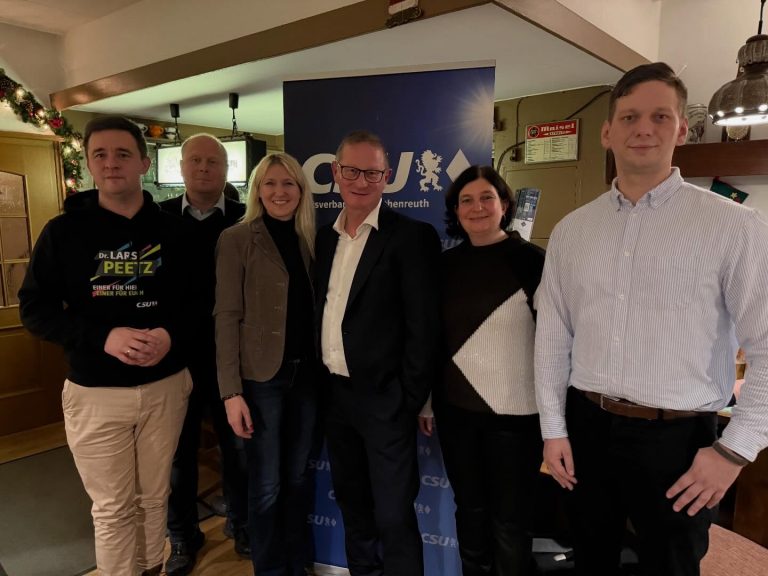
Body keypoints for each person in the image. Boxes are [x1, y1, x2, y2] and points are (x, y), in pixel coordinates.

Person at [535, 62, 768, 576]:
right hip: (586, 426)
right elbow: (553, 337)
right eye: (630, 116)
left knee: (671, 565)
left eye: (660, 116)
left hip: (678, 441)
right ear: (607, 132)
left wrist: (735, 451)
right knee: (590, 559)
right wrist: (554, 430)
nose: (644, 128)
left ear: (682, 129)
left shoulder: (734, 227)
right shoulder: (573, 230)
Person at [18, 116, 192, 576]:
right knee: (113, 509)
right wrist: (102, 337)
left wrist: (170, 335)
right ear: (89, 164)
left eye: (122, 154)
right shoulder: (62, 232)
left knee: (154, 499)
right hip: (95, 393)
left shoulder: (176, 233)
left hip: (166, 388)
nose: (111, 163)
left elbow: (201, 305)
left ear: (143, 163)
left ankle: (151, 569)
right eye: (100, 154)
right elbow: (34, 310)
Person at [316, 130, 441, 575]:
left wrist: (410, 399)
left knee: (393, 515)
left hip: (386, 401)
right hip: (335, 398)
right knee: (353, 506)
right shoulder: (323, 239)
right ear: (336, 173)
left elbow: (423, 328)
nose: (361, 181)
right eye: (351, 171)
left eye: (372, 173)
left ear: (387, 177)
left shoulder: (412, 237)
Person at [419, 165, 544, 575]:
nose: (477, 207)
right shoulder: (443, 266)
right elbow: (435, 341)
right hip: (457, 415)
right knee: (470, 512)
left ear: (504, 204)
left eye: (486, 197)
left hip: (518, 419)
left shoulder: (533, 262)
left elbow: (555, 345)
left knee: (511, 522)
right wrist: (427, 403)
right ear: (455, 210)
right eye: (466, 200)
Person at [215, 152, 317, 576]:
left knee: (298, 478)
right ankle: (271, 570)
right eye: (270, 183)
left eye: (288, 183)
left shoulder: (312, 239)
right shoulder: (237, 239)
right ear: (257, 190)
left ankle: (296, 564)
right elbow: (226, 316)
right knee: (267, 484)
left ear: (301, 191)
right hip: (261, 380)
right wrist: (230, 392)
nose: (279, 191)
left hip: (308, 377)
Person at [159, 133, 249, 575]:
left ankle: (242, 523)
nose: (203, 168)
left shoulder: (246, 217)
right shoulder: (156, 218)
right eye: (194, 160)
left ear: (226, 170)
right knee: (178, 454)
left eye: (213, 161)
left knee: (239, 447)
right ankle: (182, 535)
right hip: (173, 359)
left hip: (232, 357)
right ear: (181, 168)